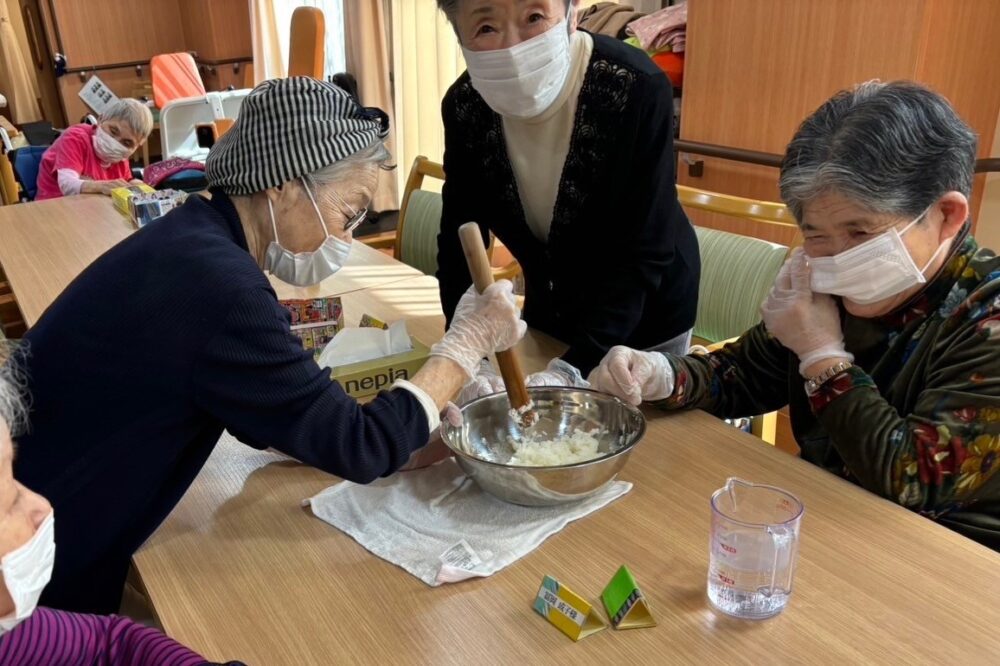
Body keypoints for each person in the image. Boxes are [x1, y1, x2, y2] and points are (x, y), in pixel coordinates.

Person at [13, 77, 525, 614]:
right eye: (348, 214)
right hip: (39, 564)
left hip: (47, 504)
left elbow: (281, 415)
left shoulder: (193, 236)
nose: (348, 237)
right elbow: (359, 446)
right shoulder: (220, 286)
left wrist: (416, 436)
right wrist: (464, 345)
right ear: (280, 184)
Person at [589, 81, 1000, 551]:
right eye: (817, 236)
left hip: (952, 559)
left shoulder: (986, 314)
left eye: (861, 232)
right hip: (829, 519)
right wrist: (661, 374)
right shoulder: (821, 279)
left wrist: (823, 357)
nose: (838, 258)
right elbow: (744, 374)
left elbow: (915, 483)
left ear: (946, 215)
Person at [434, 0, 700, 399]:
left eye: (534, 18)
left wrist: (571, 370)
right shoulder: (464, 106)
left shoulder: (637, 88)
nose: (514, 47)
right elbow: (459, 241)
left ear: (572, 14)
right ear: (459, 34)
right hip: (554, 305)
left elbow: (645, 252)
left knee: (640, 446)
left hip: (646, 309)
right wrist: (467, 356)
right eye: (486, 27)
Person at [0, 348, 245, 665]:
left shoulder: (10, 639)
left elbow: (105, 643)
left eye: (13, 477)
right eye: (8, 503)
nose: (40, 507)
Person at [35, 98, 153, 200]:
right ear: (101, 119)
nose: (115, 143)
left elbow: (125, 181)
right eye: (113, 131)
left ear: (138, 145)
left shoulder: (121, 155)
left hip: (94, 206)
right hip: (55, 206)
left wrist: (141, 187)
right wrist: (100, 186)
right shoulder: (75, 138)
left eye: (127, 143)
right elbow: (67, 184)